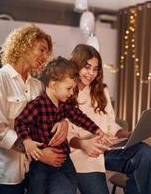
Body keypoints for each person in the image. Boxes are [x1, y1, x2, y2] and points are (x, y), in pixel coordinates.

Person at [0, 24, 70, 194]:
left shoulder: (38, 86)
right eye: (41, 49)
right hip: (7, 176)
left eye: (47, 53)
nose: (45, 57)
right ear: (24, 44)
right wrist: (40, 153)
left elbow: (55, 110)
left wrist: (63, 121)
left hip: (35, 170)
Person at [14, 57, 114, 194]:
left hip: (64, 159)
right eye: (69, 89)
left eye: (73, 89)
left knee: (70, 184)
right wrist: (27, 142)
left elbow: (80, 118)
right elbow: (20, 122)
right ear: (53, 85)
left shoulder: (65, 105)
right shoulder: (37, 105)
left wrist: (98, 131)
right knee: (37, 188)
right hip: (41, 162)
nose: (72, 93)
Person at [68, 44, 151, 194]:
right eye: (87, 67)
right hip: (83, 155)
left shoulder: (101, 90)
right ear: (76, 65)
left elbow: (110, 124)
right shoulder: (67, 92)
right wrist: (85, 144)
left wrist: (126, 134)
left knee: (145, 153)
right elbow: (66, 133)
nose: (91, 73)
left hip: (108, 149)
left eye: (95, 69)